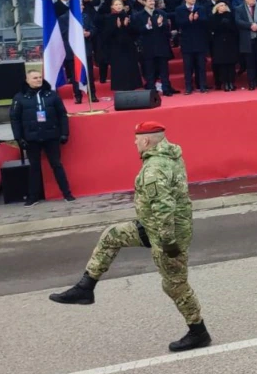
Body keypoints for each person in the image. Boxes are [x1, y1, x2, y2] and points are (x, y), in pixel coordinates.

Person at [48, 122, 212, 352]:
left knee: (175, 286)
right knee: (112, 236)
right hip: (152, 227)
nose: (134, 143)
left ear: (146, 141)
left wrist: (169, 244)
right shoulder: (172, 154)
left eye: (137, 139)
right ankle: (86, 287)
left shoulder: (153, 169)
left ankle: (199, 332)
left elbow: (164, 208)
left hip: (166, 236)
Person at [10, 69, 75, 205]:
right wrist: (19, 138)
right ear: (27, 80)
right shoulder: (19, 97)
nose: (38, 80)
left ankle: (67, 193)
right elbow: (15, 119)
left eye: (40, 77)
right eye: (34, 78)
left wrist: (64, 133)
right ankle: (33, 197)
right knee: (34, 167)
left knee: (56, 165)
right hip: (31, 138)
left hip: (51, 136)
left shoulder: (52, 95)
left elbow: (62, 115)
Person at [133, 0, 176, 96]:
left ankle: (166, 89)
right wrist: (148, 26)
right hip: (147, 46)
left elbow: (166, 29)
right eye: (149, 1)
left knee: (164, 70)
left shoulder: (161, 13)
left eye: (153, 1)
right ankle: (152, 90)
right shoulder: (138, 15)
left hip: (162, 45)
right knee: (149, 70)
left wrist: (160, 24)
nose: (152, 3)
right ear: (144, 2)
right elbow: (137, 30)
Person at [100, 0, 141, 91]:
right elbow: (105, 35)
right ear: (112, 6)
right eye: (116, 5)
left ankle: (132, 86)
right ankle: (120, 89)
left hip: (128, 47)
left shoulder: (127, 16)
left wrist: (127, 26)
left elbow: (136, 32)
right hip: (116, 48)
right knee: (119, 69)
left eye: (120, 4)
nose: (118, 6)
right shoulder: (109, 18)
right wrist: (116, 26)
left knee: (130, 67)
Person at [174, 0, 210, 94]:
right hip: (187, 41)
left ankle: (203, 86)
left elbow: (206, 21)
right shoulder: (180, 9)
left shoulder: (201, 8)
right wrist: (188, 20)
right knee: (188, 66)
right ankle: (188, 87)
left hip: (199, 40)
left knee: (201, 66)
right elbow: (178, 23)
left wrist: (197, 19)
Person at [209, 2, 239, 91]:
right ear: (217, 7)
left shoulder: (231, 16)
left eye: (225, 5)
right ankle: (225, 83)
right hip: (219, 43)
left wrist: (228, 24)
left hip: (230, 42)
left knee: (231, 64)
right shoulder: (213, 17)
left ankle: (231, 82)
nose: (223, 7)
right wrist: (220, 24)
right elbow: (212, 29)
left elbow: (235, 29)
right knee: (223, 64)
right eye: (221, 5)